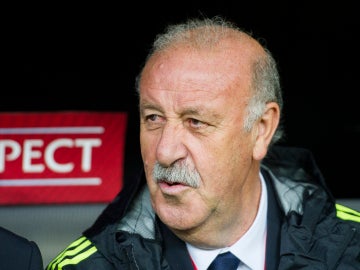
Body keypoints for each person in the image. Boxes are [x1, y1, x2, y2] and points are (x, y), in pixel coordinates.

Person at [46, 16, 360, 270]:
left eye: (195, 122)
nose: (165, 152)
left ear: (262, 129)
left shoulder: (351, 247)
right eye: (153, 118)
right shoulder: (86, 266)